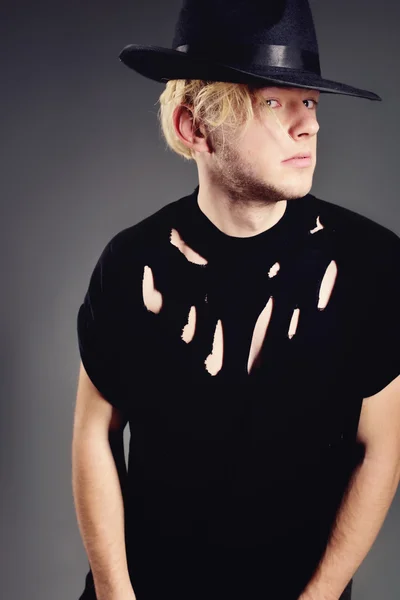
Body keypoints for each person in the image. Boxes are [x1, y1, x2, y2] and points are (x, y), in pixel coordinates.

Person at [72, 1, 400, 599]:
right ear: (193, 127)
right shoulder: (129, 264)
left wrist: (319, 597)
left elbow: (380, 449)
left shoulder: (372, 264)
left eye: (312, 103)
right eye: (274, 101)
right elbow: (95, 435)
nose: (310, 125)